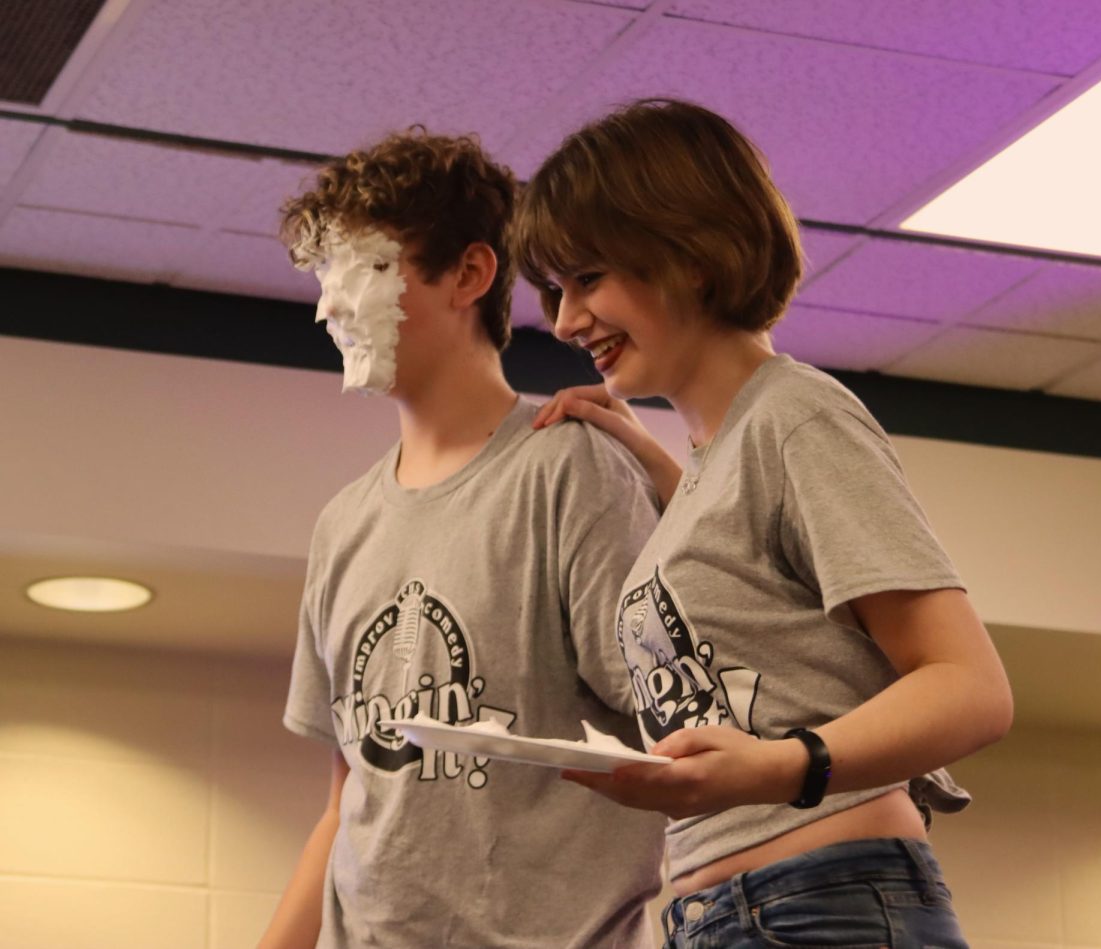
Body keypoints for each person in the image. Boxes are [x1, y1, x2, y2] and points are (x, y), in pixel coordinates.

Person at [514, 98, 1013, 948]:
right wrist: (660, 464)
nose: (564, 321)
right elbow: (749, 585)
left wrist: (786, 764)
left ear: (689, 255)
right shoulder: (726, 450)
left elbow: (972, 687)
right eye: (557, 291)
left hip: (824, 903)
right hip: (731, 914)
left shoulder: (799, 417)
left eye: (588, 279)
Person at [259, 128, 665, 949]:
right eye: (319, 274)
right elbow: (347, 806)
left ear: (471, 275)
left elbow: (683, 729)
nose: (326, 304)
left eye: (361, 266)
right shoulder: (343, 525)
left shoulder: (570, 472)